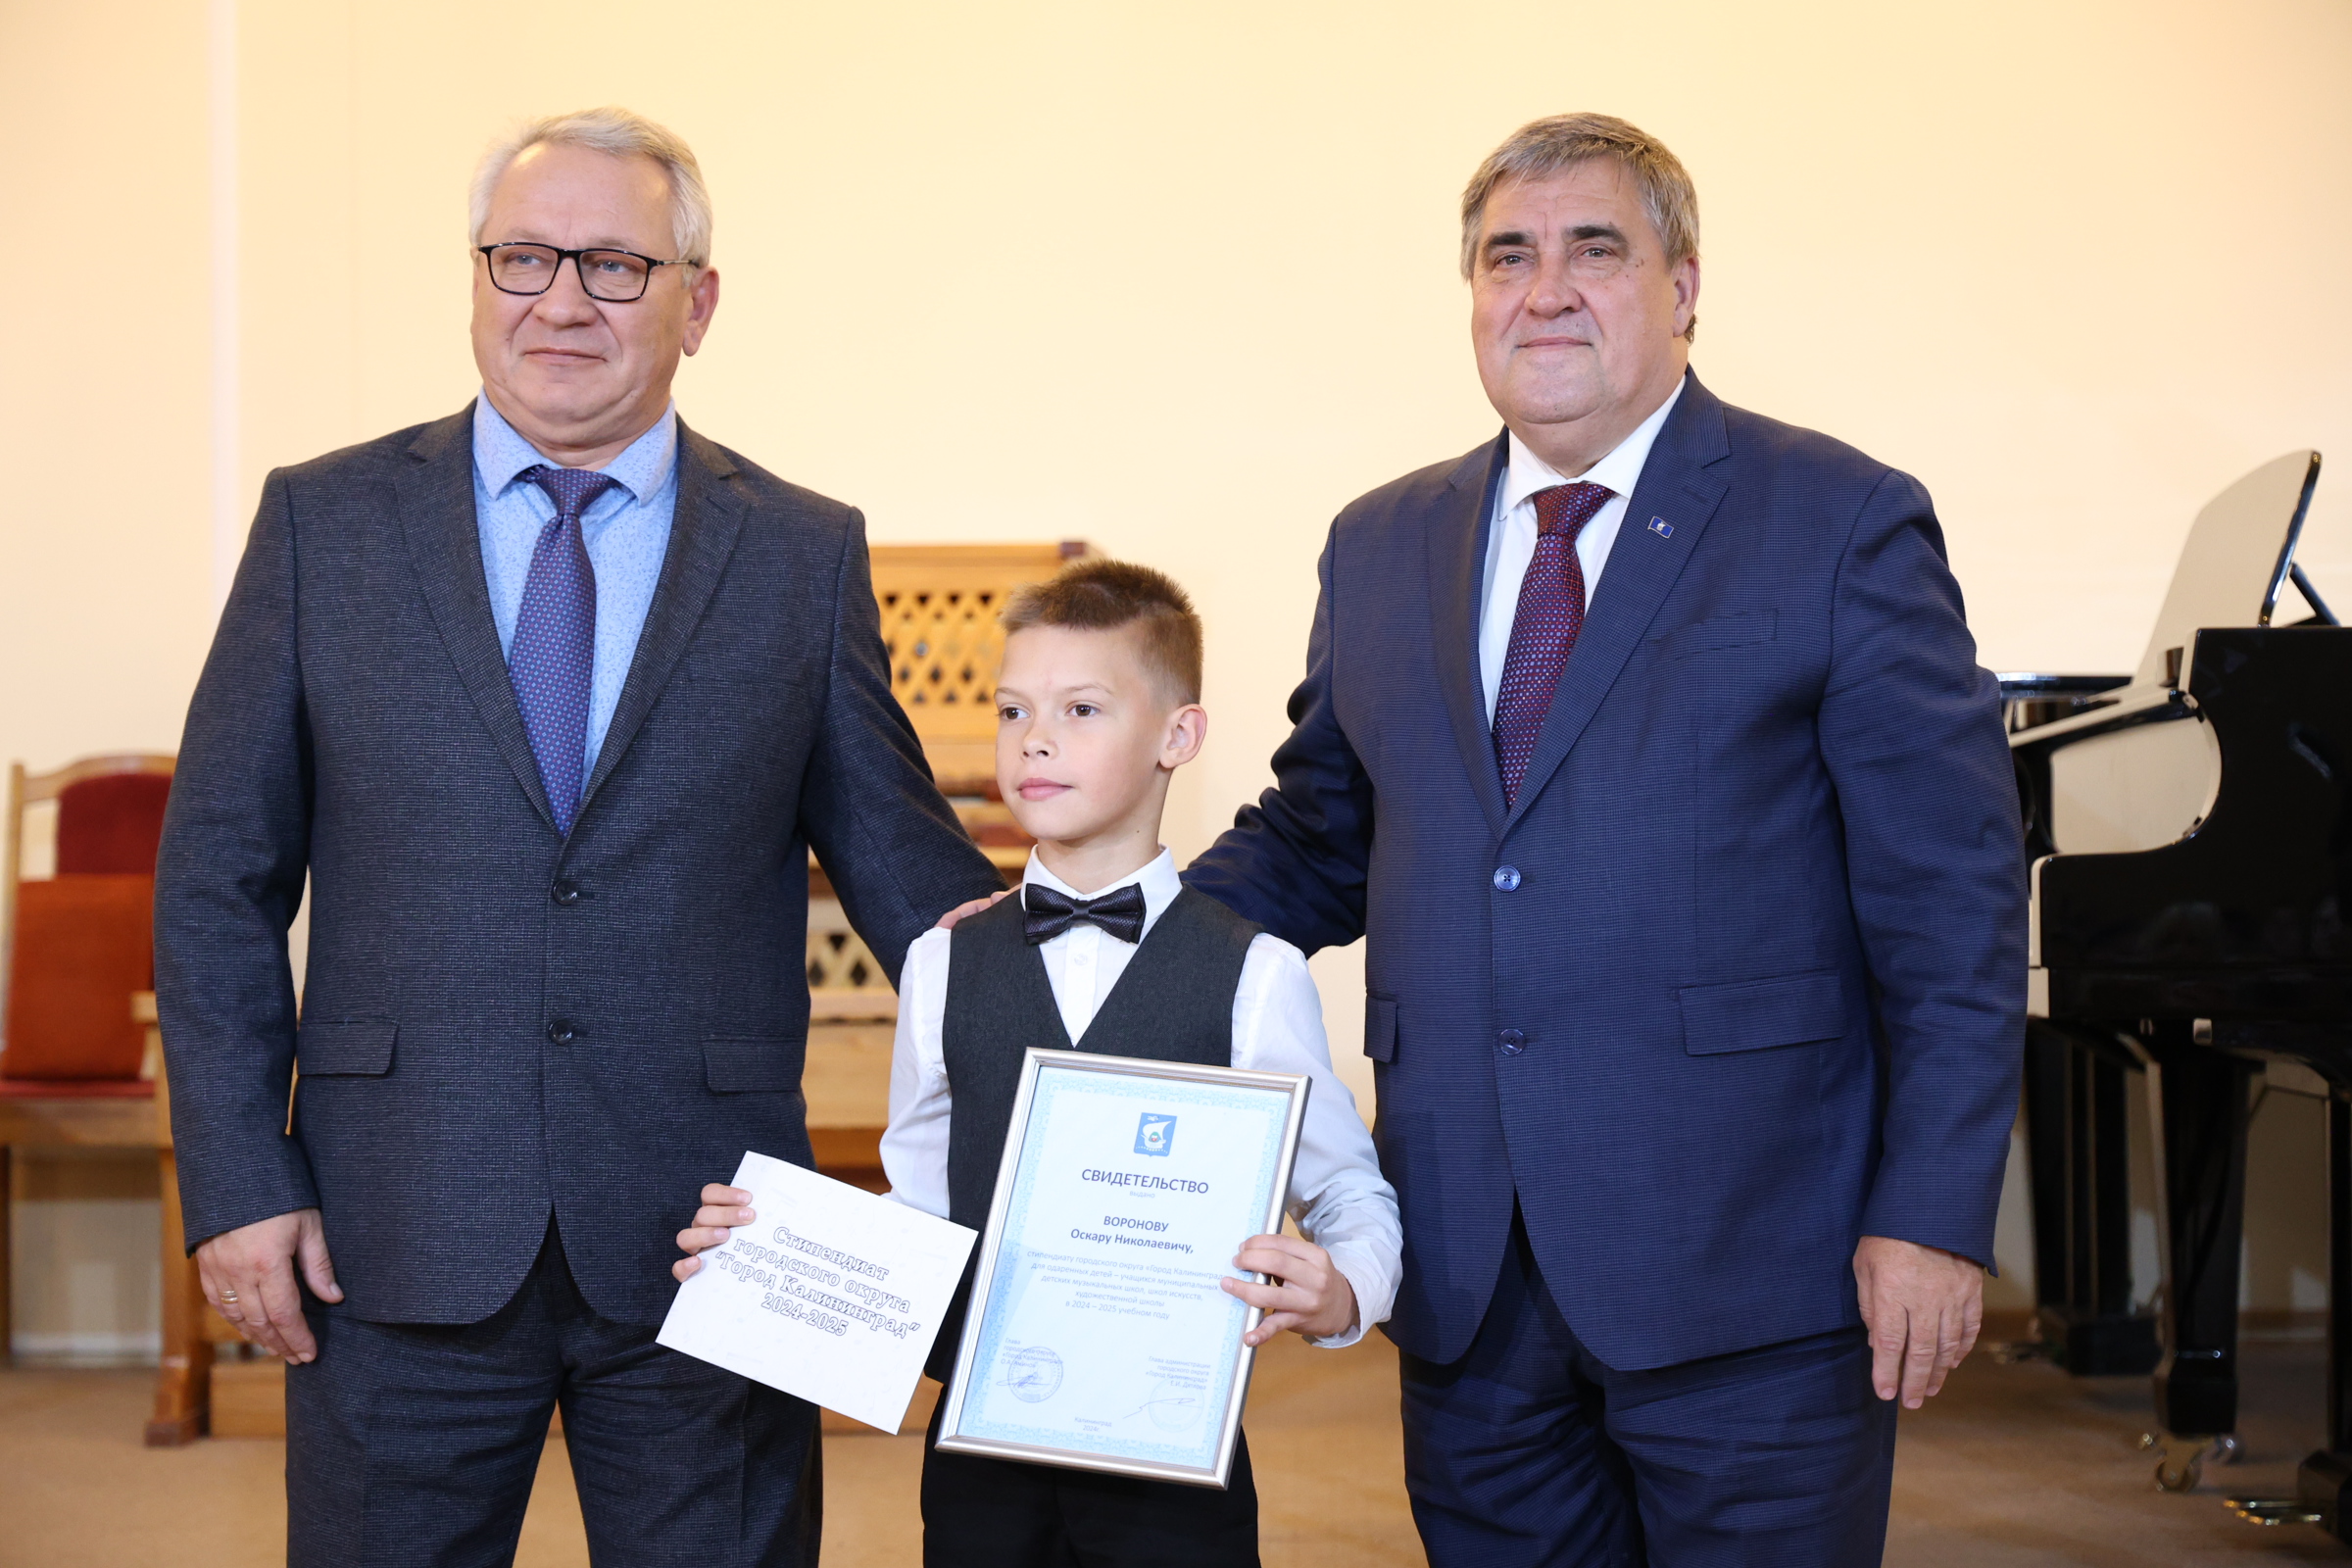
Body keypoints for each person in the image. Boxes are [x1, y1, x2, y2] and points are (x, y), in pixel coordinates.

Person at [153, 107, 1004, 1566]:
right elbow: (216, 882)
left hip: (712, 1233)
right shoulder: (322, 525)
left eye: (614, 265)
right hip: (390, 1218)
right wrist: (239, 1182)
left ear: (698, 304)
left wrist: (1124, 986)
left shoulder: (800, 553)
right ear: (476, 279)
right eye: (523, 258)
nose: (559, 300)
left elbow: (911, 874)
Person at [1179, 114, 2026, 1564]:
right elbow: (1321, 835)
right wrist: (1101, 929)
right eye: (1507, 256)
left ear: (1683, 286)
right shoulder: (1380, 543)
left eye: (1595, 250)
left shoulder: (1839, 521)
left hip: (1752, 1271)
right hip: (1469, 1271)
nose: (1545, 290)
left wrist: (1934, 1217)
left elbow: (1954, 910)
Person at [676, 561, 1403, 1568]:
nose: (1037, 739)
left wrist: (1344, 1292)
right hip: (980, 1469)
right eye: (1013, 710)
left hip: (1174, 1472)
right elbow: (919, 1210)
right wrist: (773, 1249)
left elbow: (1350, 1193)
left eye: (1082, 709)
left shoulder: (1256, 973)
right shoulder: (941, 963)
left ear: (1179, 737)